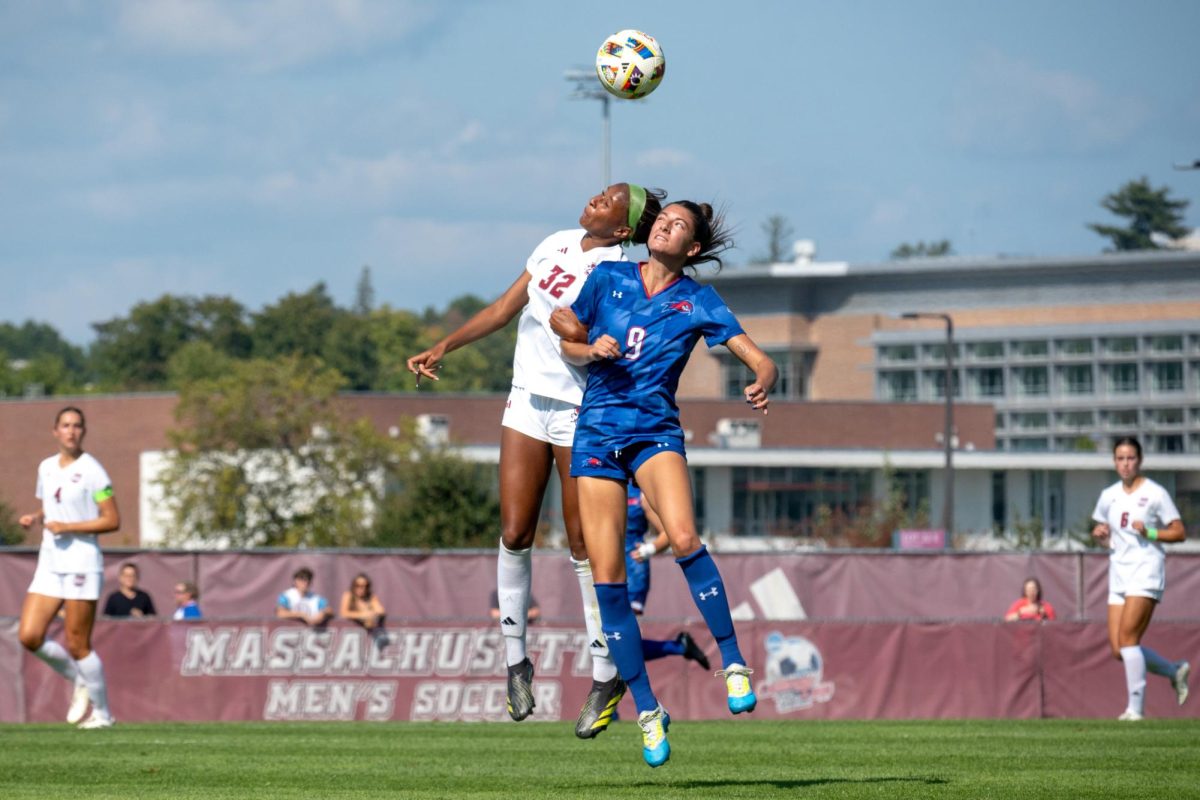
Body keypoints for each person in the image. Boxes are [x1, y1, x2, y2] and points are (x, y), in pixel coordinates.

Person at [405, 183, 665, 736]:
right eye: (599, 192)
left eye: (608, 200)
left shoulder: (624, 275)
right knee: (515, 532)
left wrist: (588, 336)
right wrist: (444, 345)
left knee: (582, 545)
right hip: (526, 400)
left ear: (623, 229)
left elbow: (617, 344)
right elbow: (505, 308)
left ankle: (603, 677)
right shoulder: (556, 242)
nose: (595, 198)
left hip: (581, 409)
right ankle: (516, 661)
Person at [561, 200, 778, 766]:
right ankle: (648, 711)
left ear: (693, 249)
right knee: (607, 581)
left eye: (678, 225)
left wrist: (762, 376)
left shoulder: (697, 299)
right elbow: (570, 339)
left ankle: (733, 663)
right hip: (597, 435)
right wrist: (587, 347)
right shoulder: (608, 275)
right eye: (663, 219)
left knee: (683, 538)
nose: (664, 224)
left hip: (654, 431)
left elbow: (760, 358)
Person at [15, 406, 119, 729]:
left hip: (81, 563)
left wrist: (70, 528)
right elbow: (53, 504)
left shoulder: (94, 471)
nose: (71, 431)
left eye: (77, 426)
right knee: (29, 636)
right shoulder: (46, 467)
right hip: (50, 561)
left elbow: (112, 519)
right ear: (55, 431)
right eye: (65, 425)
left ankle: (103, 715)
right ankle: (80, 680)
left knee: (77, 643)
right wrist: (37, 517)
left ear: (83, 432)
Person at [1091, 436, 1190, 721]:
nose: (1125, 463)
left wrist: (1152, 533)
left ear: (1140, 460)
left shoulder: (1155, 493)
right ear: (1114, 462)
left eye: (1130, 458)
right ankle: (1173, 671)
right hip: (1118, 572)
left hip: (1146, 570)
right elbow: (1105, 533)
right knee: (1118, 648)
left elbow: (1179, 531)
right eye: (1120, 458)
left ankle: (1135, 710)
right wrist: (1100, 536)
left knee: (1128, 639)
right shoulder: (1108, 495)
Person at [625, 484, 710, 671]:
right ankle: (680, 647)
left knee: (622, 643)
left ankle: (644, 698)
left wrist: (649, 549)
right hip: (607, 570)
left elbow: (667, 533)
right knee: (612, 644)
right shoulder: (604, 484)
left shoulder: (640, 495)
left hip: (633, 573)